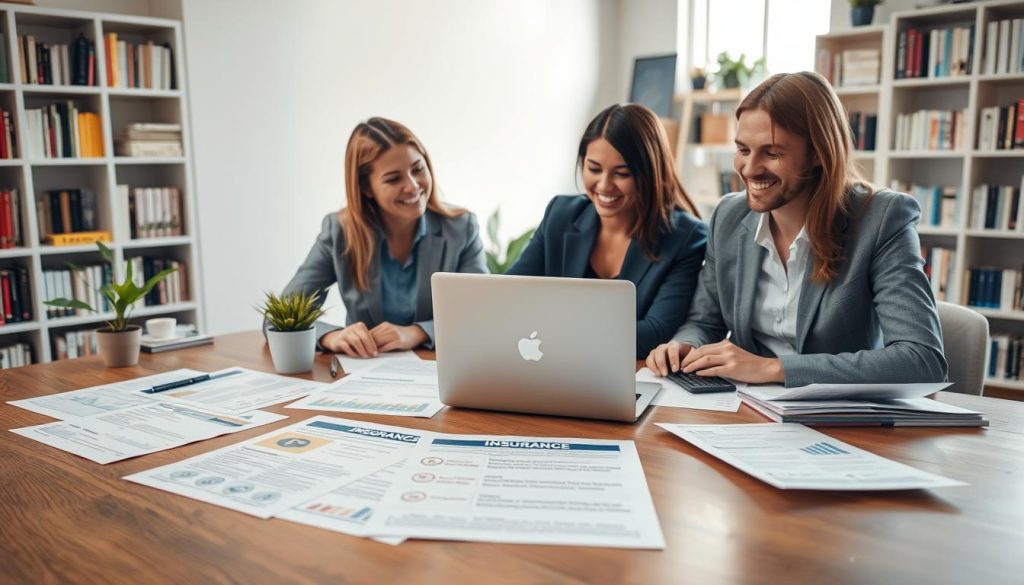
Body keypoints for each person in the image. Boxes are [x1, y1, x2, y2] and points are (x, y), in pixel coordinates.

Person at [646, 72, 947, 386]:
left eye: (772, 153)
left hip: (842, 419)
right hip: (746, 412)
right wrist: (686, 346)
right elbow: (704, 322)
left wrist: (774, 369)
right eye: (743, 150)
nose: (749, 169)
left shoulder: (882, 218)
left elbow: (922, 359)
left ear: (818, 152)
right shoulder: (728, 216)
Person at [507, 103, 708, 358]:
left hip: (630, 374)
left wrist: (553, 330)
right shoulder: (562, 213)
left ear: (649, 173)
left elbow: (655, 333)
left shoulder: (685, 237)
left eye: (621, 173)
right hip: (554, 365)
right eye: (593, 169)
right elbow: (511, 295)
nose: (604, 185)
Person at [280, 117, 486, 357]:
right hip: (366, 374)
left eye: (418, 169)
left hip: (440, 373)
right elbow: (281, 316)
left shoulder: (460, 228)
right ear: (366, 188)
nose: (412, 186)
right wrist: (330, 336)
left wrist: (418, 332)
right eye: (393, 179)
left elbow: (482, 314)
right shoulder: (340, 232)